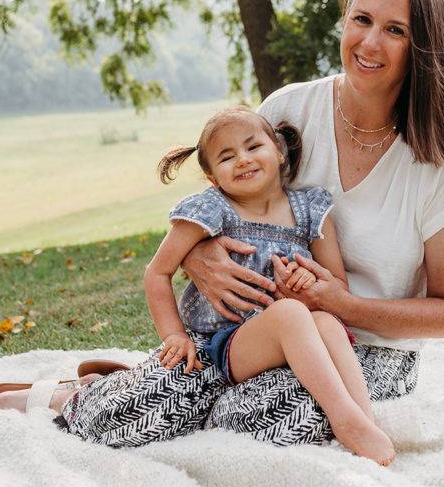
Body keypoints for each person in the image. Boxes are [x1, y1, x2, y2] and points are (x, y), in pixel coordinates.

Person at [0, 0, 444, 449]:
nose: (369, 42)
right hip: (250, 333)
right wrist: (198, 255)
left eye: (395, 30)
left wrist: (340, 304)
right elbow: (219, 202)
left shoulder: (443, 161)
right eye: (361, 19)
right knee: (178, 396)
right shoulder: (289, 109)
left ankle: (141, 386)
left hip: (370, 349)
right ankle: (80, 398)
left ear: (421, 47)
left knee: (265, 416)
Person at [144, 107, 394, 464]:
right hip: (229, 343)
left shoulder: (309, 208)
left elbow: (336, 284)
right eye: (227, 157)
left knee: (327, 323)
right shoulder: (213, 210)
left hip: (299, 334)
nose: (242, 160)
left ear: (278, 150)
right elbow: (157, 272)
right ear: (213, 177)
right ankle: (345, 419)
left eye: (252, 147)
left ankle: (365, 420)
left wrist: (308, 280)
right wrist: (173, 336)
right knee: (290, 313)